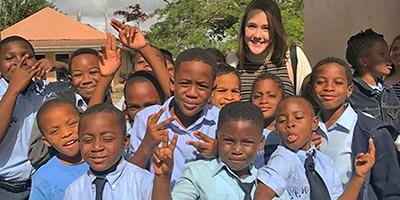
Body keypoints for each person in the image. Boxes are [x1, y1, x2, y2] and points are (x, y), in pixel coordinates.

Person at [311, 56, 400, 199]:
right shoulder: (305, 130)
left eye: (338, 82)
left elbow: (391, 191)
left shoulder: (373, 133)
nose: (328, 88)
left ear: (349, 90)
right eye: (321, 82)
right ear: (311, 88)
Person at [255, 96, 375, 200]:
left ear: (314, 123)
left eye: (298, 118)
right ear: (276, 127)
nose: (290, 124)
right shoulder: (283, 157)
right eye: (282, 121)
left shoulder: (324, 162)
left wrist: (359, 176)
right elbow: (263, 193)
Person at [129, 48, 219, 185]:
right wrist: (148, 143)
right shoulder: (147, 118)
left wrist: (218, 152)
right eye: (185, 83)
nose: (192, 93)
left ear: (212, 91)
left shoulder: (220, 120)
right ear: (172, 83)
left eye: (202, 86)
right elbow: (130, 176)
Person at [152, 102, 264, 200]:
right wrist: (162, 178)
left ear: (260, 143)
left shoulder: (270, 179)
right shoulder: (197, 173)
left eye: (247, 142)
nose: (237, 150)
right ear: (217, 136)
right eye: (229, 141)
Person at [0, 36, 61, 199]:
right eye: (9, 58)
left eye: (27, 56)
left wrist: (60, 65)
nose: (19, 62)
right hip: (5, 187)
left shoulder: (46, 90)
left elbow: (82, 82)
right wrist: (13, 89)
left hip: (42, 182)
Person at [64, 104, 153, 200]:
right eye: (88, 140)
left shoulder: (144, 183)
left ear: (125, 142)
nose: (97, 147)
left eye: (107, 139)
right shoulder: (74, 191)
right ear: (80, 143)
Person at [228, 0, 311, 100]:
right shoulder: (232, 61)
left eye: (266, 28)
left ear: (276, 30)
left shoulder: (293, 57)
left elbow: (308, 104)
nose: (257, 35)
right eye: (252, 26)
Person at [29, 99, 88, 200]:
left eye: (72, 123)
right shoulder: (43, 177)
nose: (66, 133)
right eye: (55, 131)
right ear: (47, 141)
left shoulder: (102, 160)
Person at [346, 29, 400, 132]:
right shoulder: (351, 94)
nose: (389, 59)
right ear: (364, 60)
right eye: (382, 54)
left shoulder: (389, 91)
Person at [250, 72, 284, 167]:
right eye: (257, 96)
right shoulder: (246, 132)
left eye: (271, 96)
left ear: (282, 99)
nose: (264, 100)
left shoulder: (289, 131)